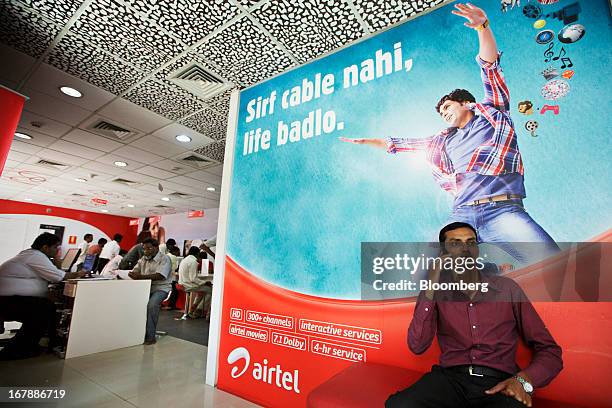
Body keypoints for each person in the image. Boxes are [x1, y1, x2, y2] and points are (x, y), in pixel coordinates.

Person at [340, 3, 559, 265]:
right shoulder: (442, 142)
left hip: (502, 210)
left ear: (465, 103)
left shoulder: (493, 113)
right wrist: (369, 141)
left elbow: (490, 69)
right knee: (436, 275)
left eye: (447, 107)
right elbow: (401, 144)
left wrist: (482, 27)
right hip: (463, 214)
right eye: (441, 111)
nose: (443, 113)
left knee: (552, 263)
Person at [386, 222, 563, 408]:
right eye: (455, 243)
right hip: (450, 381)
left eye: (471, 243)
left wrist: (522, 381)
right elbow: (417, 345)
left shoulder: (507, 289)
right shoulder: (436, 291)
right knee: (399, 405)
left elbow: (550, 351)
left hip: (499, 384)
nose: (465, 249)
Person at [0, 233, 86, 360]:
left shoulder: (31, 254)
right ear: (45, 247)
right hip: (6, 301)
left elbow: (56, 274)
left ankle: (33, 343)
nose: (57, 250)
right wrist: (80, 273)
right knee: (45, 308)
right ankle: (20, 349)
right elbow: (61, 276)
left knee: (46, 305)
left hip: (7, 299)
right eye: (55, 247)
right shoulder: (36, 256)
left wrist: (57, 264)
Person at [127, 238, 172, 345]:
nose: (146, 251)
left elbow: (160, 276)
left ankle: (150, 337)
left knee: (152, 305)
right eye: (144, 249)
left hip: (161, 288)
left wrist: (141, 276)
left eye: (149, 248)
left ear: (156, 247)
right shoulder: (143, 258)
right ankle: (136, 334)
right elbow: (135, 271)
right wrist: (131, 274)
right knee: (133, 304)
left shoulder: (164, 258)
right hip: (145, 288)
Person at [179, 246, 212, 319]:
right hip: (188, 285)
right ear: (197, 253)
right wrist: (205, 282)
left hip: (182, 283)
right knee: (210, 290)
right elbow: (193, 279)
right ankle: (199, 310)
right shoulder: (193, 261)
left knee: (202, 290)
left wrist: (202, 283)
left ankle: (193, 309)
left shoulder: (185, 259)